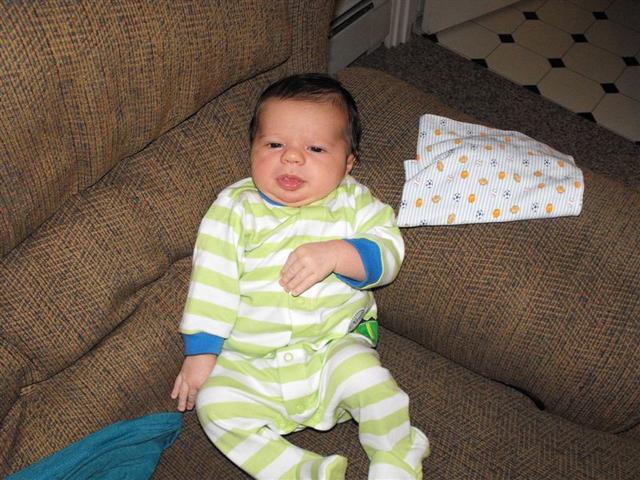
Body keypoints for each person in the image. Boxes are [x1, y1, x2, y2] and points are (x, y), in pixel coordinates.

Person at [171, 73, 429, 479]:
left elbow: (389, 252)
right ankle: (302, 472)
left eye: (315, 148)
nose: (291, 158)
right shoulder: (234, 208)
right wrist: (201, 351)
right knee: (215, 407)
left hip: (333, 348)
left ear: (347, 164)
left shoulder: (354, 203)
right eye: (275, 144)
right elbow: (212, 280)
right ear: (252, 150)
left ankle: (396, 456)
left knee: (375, 387)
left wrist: (339, 254)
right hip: (251, 361)